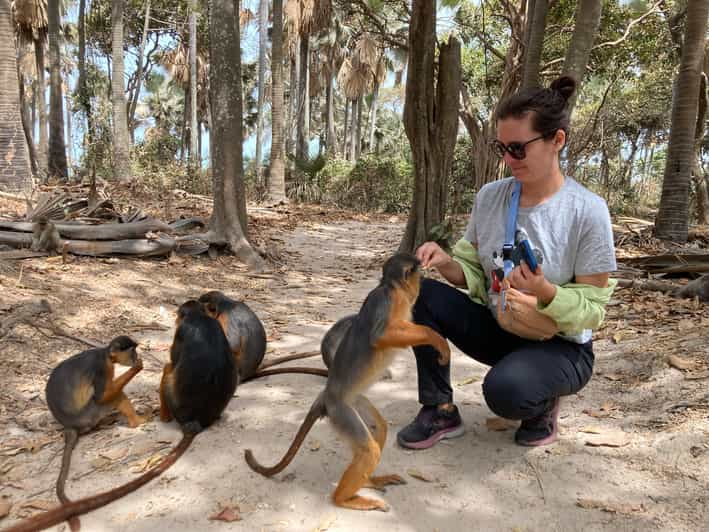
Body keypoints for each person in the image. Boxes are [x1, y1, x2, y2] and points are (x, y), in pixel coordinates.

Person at [397, 76, 618, 449]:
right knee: (415, 292)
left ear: (556, 141)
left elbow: (593, 311)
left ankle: (542, 403)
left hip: (560, 345)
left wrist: (545, 291)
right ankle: (439, 408)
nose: (507, 160)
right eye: (502, 148)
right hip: (502, 323)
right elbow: (474, 276)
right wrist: (446, 262)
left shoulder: (587, 212)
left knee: (506, 392)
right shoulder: (490, 198)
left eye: (518, 148)